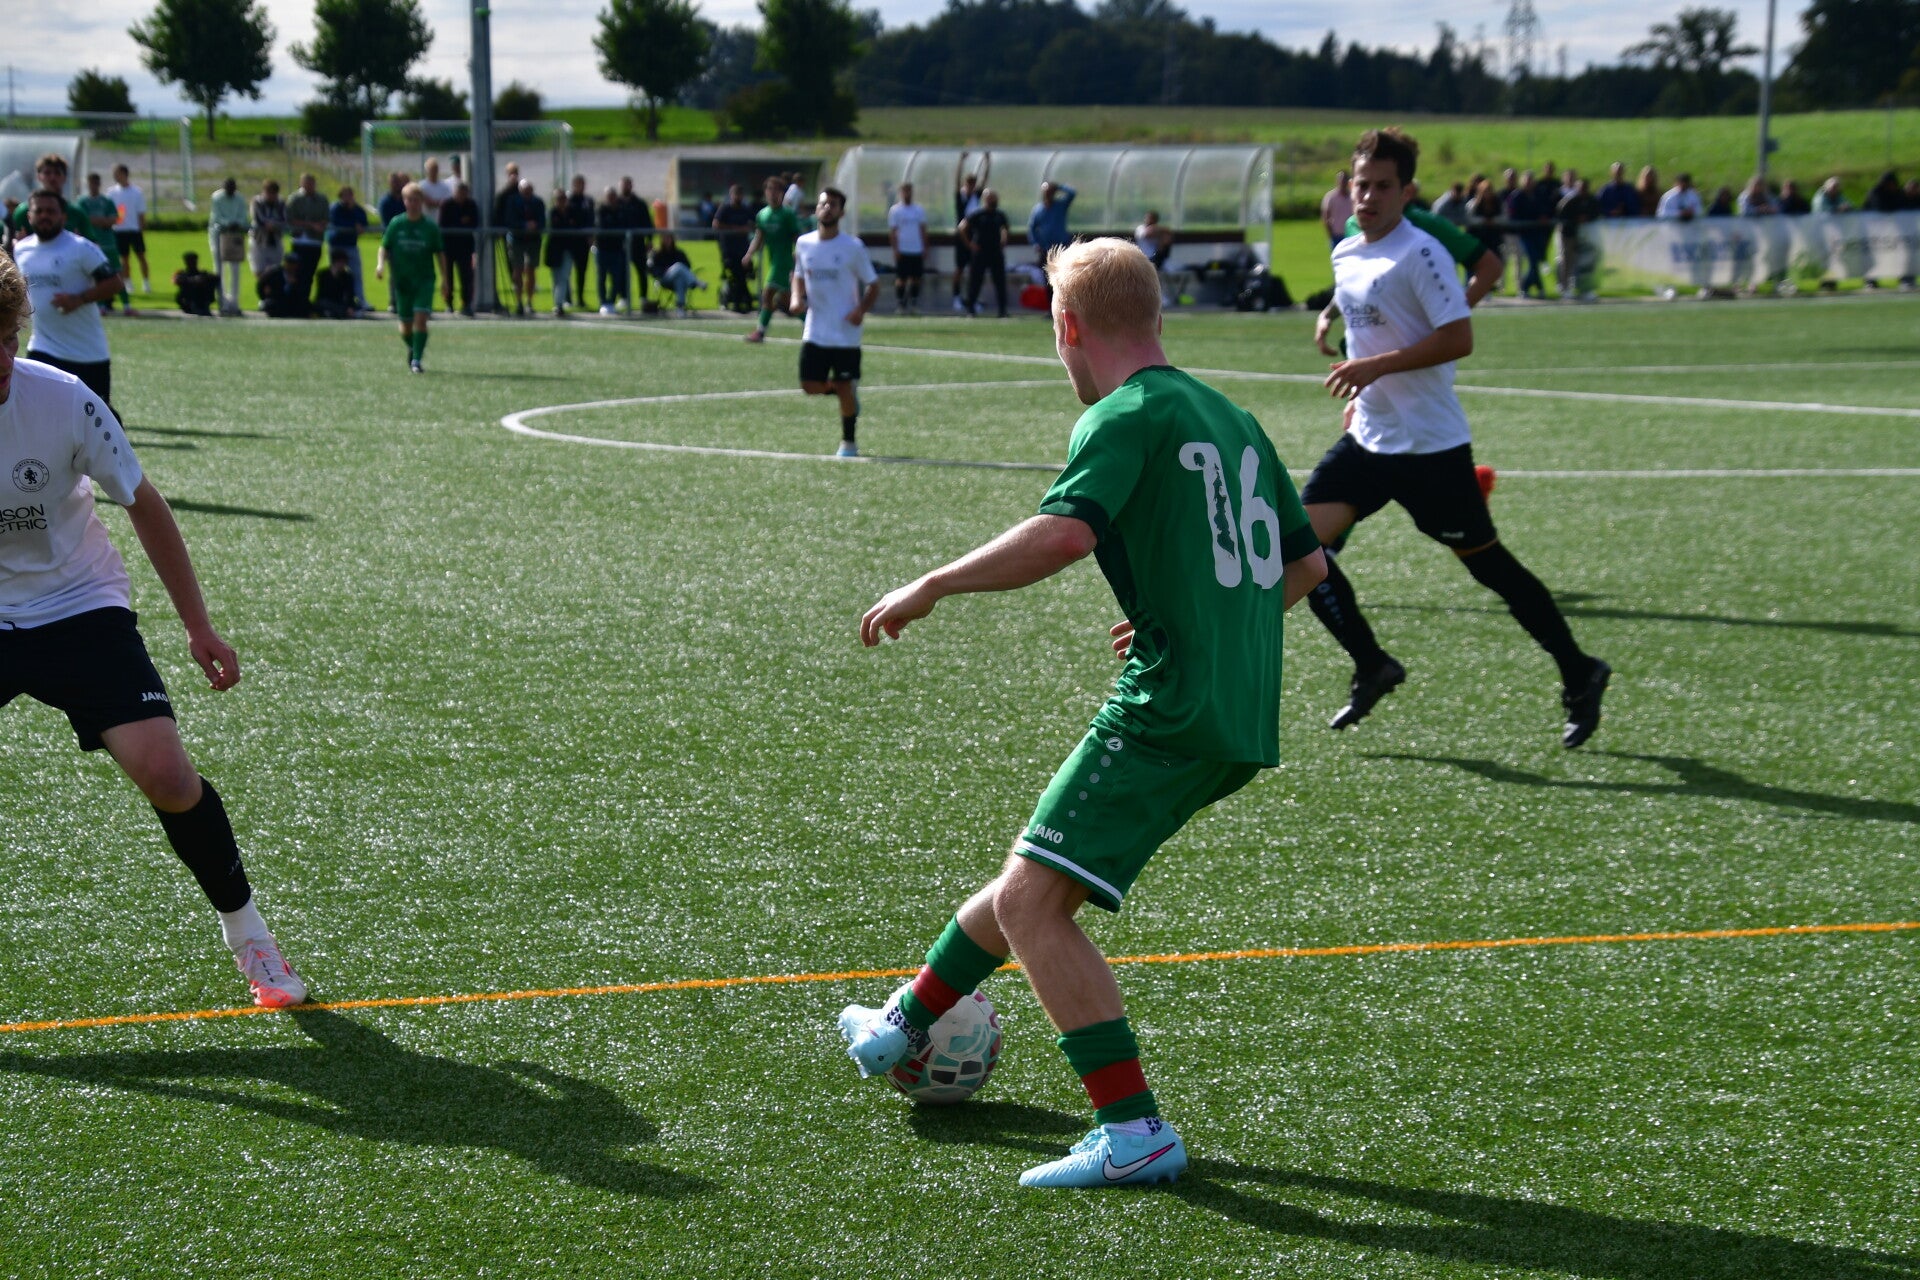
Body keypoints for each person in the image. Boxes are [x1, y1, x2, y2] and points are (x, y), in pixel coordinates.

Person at [840, 237, 1326, 1189]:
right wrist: (1198, 613)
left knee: (1031, 903)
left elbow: (1063, 536)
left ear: (1067, 326)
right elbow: (1304, 565)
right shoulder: (1231, 416)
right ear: (1156, 317)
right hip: (1238, 711)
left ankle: (1133, 1131)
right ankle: (903, 1022)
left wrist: (933, 583)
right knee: (1036, 880)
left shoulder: (1122, 413)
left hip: (1167, 708)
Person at [0, 253, 308, 1012]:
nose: (0, 364)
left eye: (4, 341)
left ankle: (251, 937)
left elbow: (142, 502)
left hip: (77, 604)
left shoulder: (62, 398)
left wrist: (198, 625)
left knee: (169, 777)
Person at [1303, 128, 1610, 749]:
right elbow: (1364, 320)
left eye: (1383, 186)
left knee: (1492, 570)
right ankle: (1372, 664)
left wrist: (1373, 368)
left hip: (1429, 448)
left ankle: (1580, 671)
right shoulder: (1347, 251)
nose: (1368, 196)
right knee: (1299, 551)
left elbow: (1458, 337)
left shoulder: (1423, 254)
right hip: (1368, 440)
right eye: (1361, 184)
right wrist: (1354, 370)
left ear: (1406, 192)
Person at [790, 188, 878, 458]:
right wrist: (796, 297)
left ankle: (849, 443)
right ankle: (845, 392)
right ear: (816, 209)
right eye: (823, 204)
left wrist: (860, 310)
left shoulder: (853, 247)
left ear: (841, 212)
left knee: (843, 385)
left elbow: (873, 284)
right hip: (815, 330)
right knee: (809, 385)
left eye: (833, 205)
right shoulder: (804, 243)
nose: (827, 208)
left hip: (845, 333)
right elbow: (799, 275)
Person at [13, 192, 123, 408]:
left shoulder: (81, 247)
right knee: (38, 412)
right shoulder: (21, 249)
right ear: (29, 216)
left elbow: (115, 283)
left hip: (87, 353)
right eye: (39, 211)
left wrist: (79, 299)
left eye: (51, 211)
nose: (45, 216)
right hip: (42, 347)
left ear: (63, 216)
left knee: (95, 417)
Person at [376, 183, 448, 374]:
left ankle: (416, 361)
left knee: (420, 320)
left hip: (424, 281)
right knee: (405, 328)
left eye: (416, 200)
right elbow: (384, 246)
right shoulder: (396, 224)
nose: (412, 204)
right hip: (402, 282)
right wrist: (380, 265)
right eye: (409, 200)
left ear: (421, 202)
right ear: (404, 201)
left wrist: (445, 279)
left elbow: (440, 254)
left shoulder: (430, 227)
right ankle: (413, 347)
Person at [742, 175, 804, 342]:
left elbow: (797, 238)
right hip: (773, 261)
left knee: (768, 293)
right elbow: (759, 237)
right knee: (787, 300)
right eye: (769, 189)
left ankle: (760, 332)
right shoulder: (762, 215)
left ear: (782, 193)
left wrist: (800, 255)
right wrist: (749, 253)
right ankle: (812, 326)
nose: (773, 193)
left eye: (776, 190)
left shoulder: (788, 214)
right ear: (765, 192)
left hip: (784, 262)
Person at [960, 188, 1011, 318]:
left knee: (999, 281)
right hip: (980, 252)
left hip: (995, 251)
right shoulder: (977, 214)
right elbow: (962, 227)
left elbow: (1005, 229)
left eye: (994, 198)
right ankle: (971, 309)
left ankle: (1002, 310)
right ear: (985, 199)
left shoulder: (999, 215)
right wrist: (970, 244)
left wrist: (1004, 239)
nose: (993, 200)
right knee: (975, 281)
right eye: (990, 198)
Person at [78, 174, 124, 312]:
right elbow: (84, 221)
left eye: (96, 183)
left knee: (116, 272)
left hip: (108, 243)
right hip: (90, 243)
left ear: (99, 184)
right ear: (87, 184)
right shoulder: (82, 202)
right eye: (91, 183)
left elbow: (114, 220)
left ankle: (125, 304)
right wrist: (101, 221)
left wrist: (94, 220)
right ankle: (101, 305)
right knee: (94, 275)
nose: (94, 186)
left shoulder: (107, 201)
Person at [106, 164, 152, 300]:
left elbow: (141, 212)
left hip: (134, 230)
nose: (115, 176)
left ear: (124, 174)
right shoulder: (111, 192)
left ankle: (146, 282)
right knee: (124, 258)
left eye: (117, 173)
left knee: (141, 256)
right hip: (119, 230)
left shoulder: (136, 192)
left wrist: (141, 228)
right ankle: (128, 283)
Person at [284, 174, 330, 306]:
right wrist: (310, 225)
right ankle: (295, 302)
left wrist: (320, 225)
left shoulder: (321, 199)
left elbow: (326, 218)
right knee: (298, 273)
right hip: (299, 241)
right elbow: (290, 219)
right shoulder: (294, 199)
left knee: (310, 273)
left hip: (315, 241)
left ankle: (305, 301)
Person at [208, 177, 251, 316]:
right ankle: (223, 303)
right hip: (219, 235)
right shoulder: (217, 197)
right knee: (219, 269)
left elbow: (243, 216)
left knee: (235, 269)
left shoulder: (239, 198)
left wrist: (238, 223)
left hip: (234, 236)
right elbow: (216, 217)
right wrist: (228, 223)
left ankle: (234, 303)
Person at [326, 185, 371, 313]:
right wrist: (354, 225)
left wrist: (357, 221)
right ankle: (334, 300)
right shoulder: (335, 208)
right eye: (345, 196)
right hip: (337, 245)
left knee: (356, 274)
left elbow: (364, 221)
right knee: (335, 273)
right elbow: (337, 222)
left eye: (350, 195)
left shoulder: (356, 209)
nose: (347, 198)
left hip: (351, 245)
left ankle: (360, 300)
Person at [438, 180, 480, 316]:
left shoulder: (471, 205)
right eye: (459, 192)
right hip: (448, 247)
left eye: (464, 193)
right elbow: (443, 224)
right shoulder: (446, 205)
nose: (462, 195)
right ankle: (449, 304)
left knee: (466, 277)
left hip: (465, 248)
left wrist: (458, 224)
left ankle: (466, 304)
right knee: (447, 277)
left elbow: (474, 223)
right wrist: (461, 223)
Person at [1555, 177, 1601, 300]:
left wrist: (1587, 218)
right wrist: (1576, 220)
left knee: (1585, 262)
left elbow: (1596, 213)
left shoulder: (1591, 200)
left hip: (1585, 236)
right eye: (1581, 188)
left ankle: (1585, 288)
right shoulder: (1569, 200)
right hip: (1569, 234)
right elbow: (1562, 216)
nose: (1583, 190)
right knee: (1567, 261)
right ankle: (1565, 288)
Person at [887, 181, 929, 316]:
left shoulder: (919, 210)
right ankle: (901, 305)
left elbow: (923, 230)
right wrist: (895, 249)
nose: (907, 194)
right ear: (901, 193)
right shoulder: (895, 210)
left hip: (916, 249)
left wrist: (925, 247)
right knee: (901, 279)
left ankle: (914, 304)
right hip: (903, 249)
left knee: (916, 278)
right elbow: (893, 232)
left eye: (909, 191)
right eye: (904, 191)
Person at [714, 184, 756, 313]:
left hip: (743, 249)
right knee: (738, 274)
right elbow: (716, 224)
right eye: (735, 194)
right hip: (729, 250)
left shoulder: (745, 209)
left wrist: (747, 228)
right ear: (731, 195)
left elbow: (755, 223)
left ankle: (743, 302)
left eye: (740, 194)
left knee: (743, 274)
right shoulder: (725, 209)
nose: (738, 197)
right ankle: (743, 302)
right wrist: (734, 229)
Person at [507, 179, 544, 317]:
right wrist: (524, 225)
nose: (527, 194)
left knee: (531, 270)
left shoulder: (538, 202)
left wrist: (535, 225)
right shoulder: (513, 202)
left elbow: (542, 221)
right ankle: (518, 302)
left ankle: (529, 301)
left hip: (533, 240)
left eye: (529, 191)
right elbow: (510, 220)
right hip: (517, 240)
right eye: (525, 191)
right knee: (518, 270)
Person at [952, 166, 987, 312]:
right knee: (959, 269)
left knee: (974, 270)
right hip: (961, 238)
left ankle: (973, 299)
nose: (971, 187)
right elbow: (956, 182)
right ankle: (956, 297)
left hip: (974, 237)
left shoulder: (976, 196)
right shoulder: (960, 197)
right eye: (969, 184)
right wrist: (961, 162)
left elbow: (984, 180)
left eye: (973, 184)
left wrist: (987, 162)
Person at [615, 177, 654, 309]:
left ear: (631, 186)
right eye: (623, 185)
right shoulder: (616, 203)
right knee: (622, 272)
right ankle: (624, 297)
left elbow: (648, 223)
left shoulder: (639, 204)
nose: (625, 187)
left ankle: (643, 297)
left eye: (628, 184)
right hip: (621, 244)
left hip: (638, 243)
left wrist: (649, 240)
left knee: (642, 272)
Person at [646, 231, 706, 315]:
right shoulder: (657, 254)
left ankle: (680, 307)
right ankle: (695, 281)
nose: (667, 240)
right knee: (678, 266)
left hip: (679, 280)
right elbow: (652, 269)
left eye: (669, 238)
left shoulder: (679, 253)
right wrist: (664, 271)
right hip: (664, 279)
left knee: (679, 278)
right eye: (665, 238)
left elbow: (687, 266)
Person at [1028, 181, 1077, 281]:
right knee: (1047, 277)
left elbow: (1072, 193)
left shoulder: (1060, 206)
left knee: (1063, 274)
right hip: (1046, 248)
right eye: (1046, 192)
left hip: (1062, 246)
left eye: (1051, 192)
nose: (1048, 194)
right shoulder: (1038, 210)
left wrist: (1059, 187)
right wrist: (1035, 243)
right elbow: (1032, 228)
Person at [561, 175, 595, 313]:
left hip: (583, 242)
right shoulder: (569, 201)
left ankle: (580, 298)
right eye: (578, 184)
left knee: (582, 271)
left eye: (582, 184)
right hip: (570, 241)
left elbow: (591, 219)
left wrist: (590, 234)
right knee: (567, 271)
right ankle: (567, 298)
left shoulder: (588, 201)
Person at [594, 187, 630, 315]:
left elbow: (624, 226)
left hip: (617, 250)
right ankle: (603, 302)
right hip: (603, 249)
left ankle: (611, 302)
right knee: (602, 277)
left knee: (616, 278)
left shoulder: (621, 210)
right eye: (609, 197)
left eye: (613, 197)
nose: (612, 199)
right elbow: (602, 226)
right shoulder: (601, 210)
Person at [248, 179, 288, 286]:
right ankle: (263, 290)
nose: (271, 196)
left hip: (276, 240)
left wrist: (273, 225)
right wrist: (271, 224)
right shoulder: (257, 202)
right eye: (269, 193)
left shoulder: (281, 203)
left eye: (273, 194)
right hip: (259, 240)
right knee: (259, 270)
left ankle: (274, 291)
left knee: (276, 270)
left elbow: (284, 220)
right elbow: (259, 219)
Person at [256, 254, 310, 319]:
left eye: (294, 264)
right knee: (271, 306)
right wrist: (265, 295)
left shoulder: (299, 276)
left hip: (290, 303)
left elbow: (300, 294)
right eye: (290, 263)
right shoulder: (274, 272)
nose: (292, 266)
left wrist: (294, 285)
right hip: (275, 300)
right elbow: (261, 284)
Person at [313, 251, 357, 319]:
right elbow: (322, 292)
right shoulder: (323, 274)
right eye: (341, 262)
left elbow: (350, 293)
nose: (343, 265)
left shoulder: (347, 276)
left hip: (339, 302)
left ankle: (331, 313)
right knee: (322, 304)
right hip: (325, 301)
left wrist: (350, 306)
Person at [172, 251, 217, 316]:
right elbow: (176, 280)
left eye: (193, 261)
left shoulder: (204, 274)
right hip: (188, 301)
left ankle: (201, 306)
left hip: (201, 301)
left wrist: (202, 280)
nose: (192, 263)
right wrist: (192, 280)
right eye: (190, 261)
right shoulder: (182, 274)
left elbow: (215, 278)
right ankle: (194, 306)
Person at [1321, 169, 1354, 245]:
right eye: (1341, 180)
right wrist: (1330, 235)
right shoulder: (1330, 197)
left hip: (1351, 235)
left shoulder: (1353, 196)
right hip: (1336, 235)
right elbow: (1326, 217)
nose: (1342, 183)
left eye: (1344, 180)